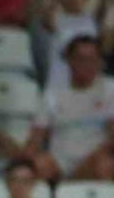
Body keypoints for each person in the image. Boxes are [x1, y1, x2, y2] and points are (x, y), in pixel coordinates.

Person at [27, 36, 114, 182]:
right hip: (59, 161)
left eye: (92, 59)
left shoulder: (111, 89)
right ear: (69, 60)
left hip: (94, 158)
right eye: (81, 59)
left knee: (106, 165)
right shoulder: (52, 94)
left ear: (99, 61)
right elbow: (36, 137)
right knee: (37, 165)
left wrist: (82, 168)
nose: (87, 64)